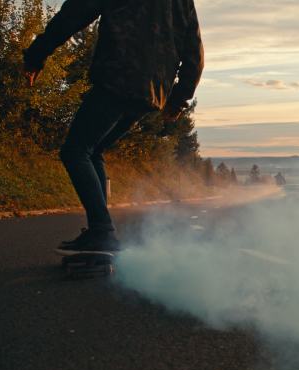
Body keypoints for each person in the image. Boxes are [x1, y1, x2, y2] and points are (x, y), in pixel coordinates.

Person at [23, 0, 204, 253]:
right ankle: (99, 230)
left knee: (75, 151)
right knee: (93, 150)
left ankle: (102, 232)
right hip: (151, 92)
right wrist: (178, 98)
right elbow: (194, 53)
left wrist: (36, 55)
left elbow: (75, 13)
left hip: (118, 77)